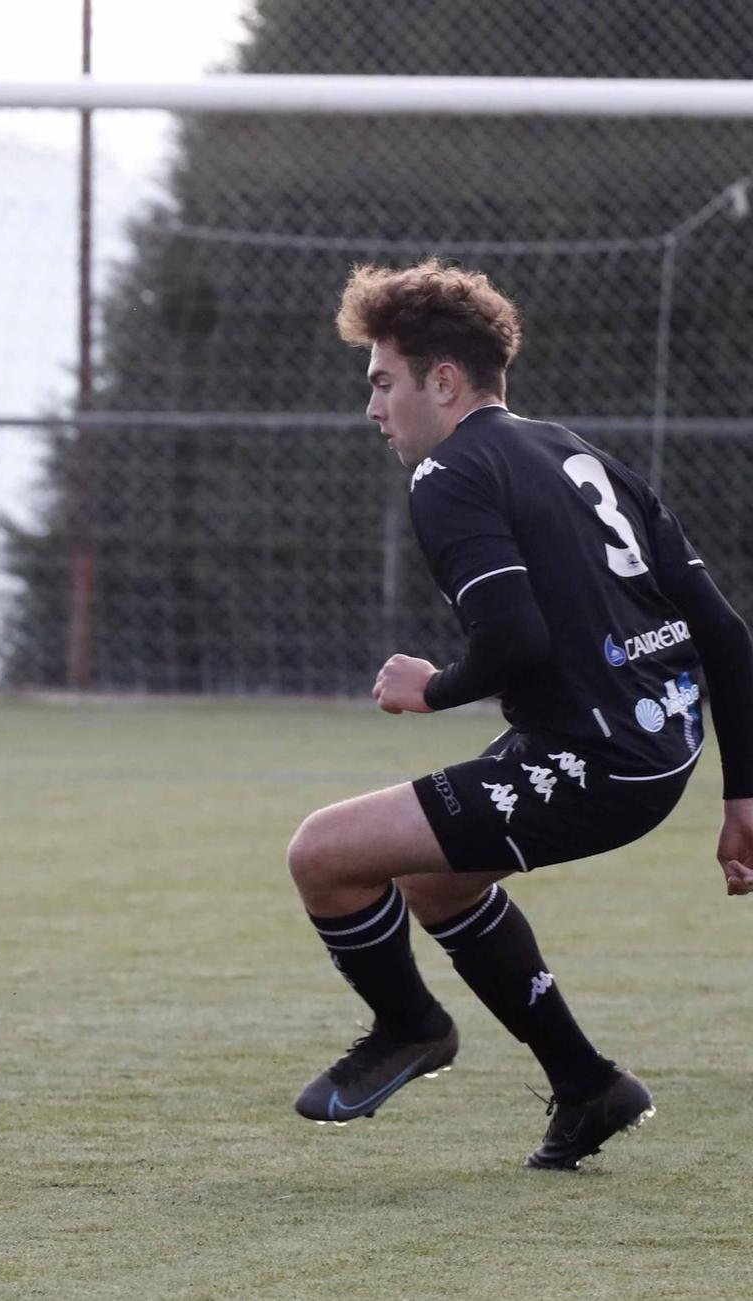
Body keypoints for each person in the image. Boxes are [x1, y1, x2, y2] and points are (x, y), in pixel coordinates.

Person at [287, 258, 753, 1170]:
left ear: (444, 380)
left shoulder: (448, 473)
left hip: (597, 756)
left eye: (383, 382)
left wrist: (433, 686)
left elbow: (515, 637)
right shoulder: (583, 455)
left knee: (323, 856)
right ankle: (588, 1086)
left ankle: (410, 1026)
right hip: (658, 743)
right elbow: (728, 637)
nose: (374, 408)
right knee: (435, 877)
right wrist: (745, 795)